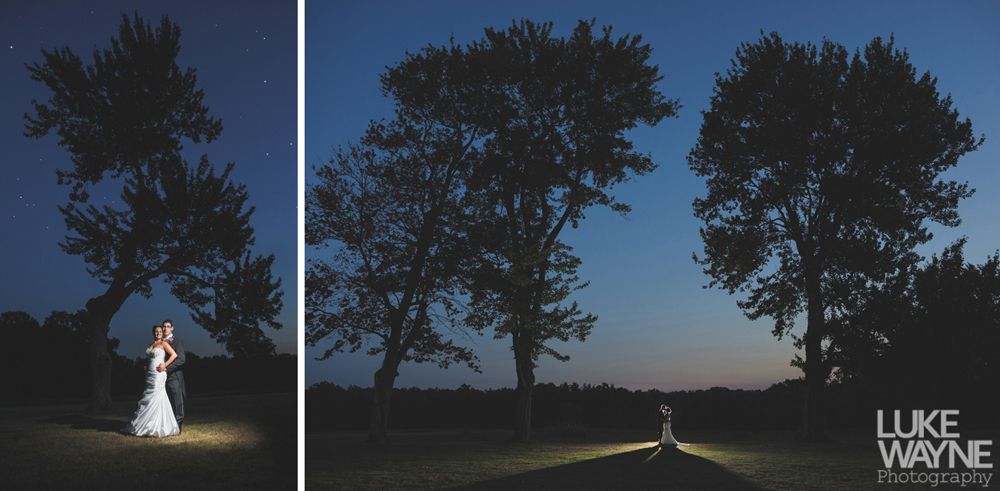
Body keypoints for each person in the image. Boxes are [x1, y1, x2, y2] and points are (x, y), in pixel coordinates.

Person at [123, 325, 180, 437]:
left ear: (162, 333)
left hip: (159, 374)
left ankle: (156, 426)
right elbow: (150, 358)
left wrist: (165, 365)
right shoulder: (151, 344)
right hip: (149, 374)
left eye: (159, 331)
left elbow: (174, 355)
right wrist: (146, 365)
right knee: (148, 396)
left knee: (155, 395)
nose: (158, 333)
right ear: (153, 333)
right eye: (156, 331)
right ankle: (146, 423)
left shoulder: (164, 343)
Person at [160, 319, 186, 432]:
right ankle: (168, 425)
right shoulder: (160, 342)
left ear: (172, 328)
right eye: (164, 326)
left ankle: (178, 426)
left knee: (177, 402)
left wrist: (166, 368)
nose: (165, 328)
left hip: (174, 376)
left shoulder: (176, 341)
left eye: (168, 326)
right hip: (161, 378)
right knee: (166, 402)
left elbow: (181, 359)